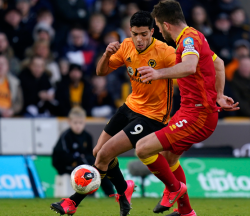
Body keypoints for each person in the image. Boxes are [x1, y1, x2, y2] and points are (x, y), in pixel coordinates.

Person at [51, 11, 177, 216]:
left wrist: (163, 74)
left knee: (104, 155)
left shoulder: (165, 52)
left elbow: (190, 69)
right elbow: (101, 72)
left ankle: (72, 202)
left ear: (152, 32)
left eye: (144, 34)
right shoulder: (126, 45)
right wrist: (107, 54)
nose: (140, 39)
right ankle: (123, 189)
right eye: (136, 34)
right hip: (129, 107)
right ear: (130, 31)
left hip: (152, 117)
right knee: (97, 152)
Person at [135, 1, 239, 216]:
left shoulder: (189, 40)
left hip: (198, 116)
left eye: (157, 25)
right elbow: (218, 64)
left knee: (143, 148)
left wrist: (158, 73)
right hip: (190, 111)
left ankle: (174, 189)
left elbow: (190, 66)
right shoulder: (195, 35)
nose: (159, 31)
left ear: (165, 24)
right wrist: (218, 95)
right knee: (168, 157)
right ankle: (186, 212)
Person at [52, 107, 114, 196]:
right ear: (69, 122)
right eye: (75, 123)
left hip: (82, 164)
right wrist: (76, 159)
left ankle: (110, 194)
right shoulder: (65, 136)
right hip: (65, 166)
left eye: (80, 123)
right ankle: (89, 194)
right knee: (87, 171)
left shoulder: (88, 137)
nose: (78, 126)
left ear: (84, 122)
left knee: (99, 168)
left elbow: (90, 154)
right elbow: (62, 155)